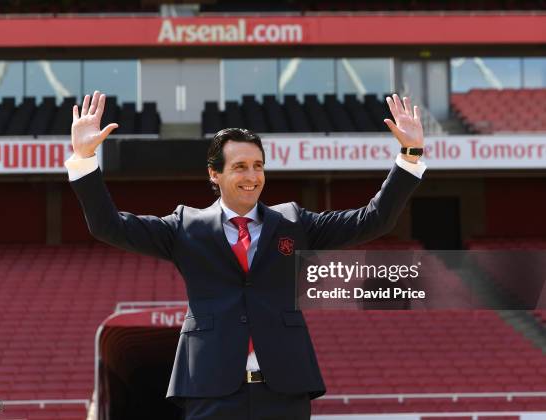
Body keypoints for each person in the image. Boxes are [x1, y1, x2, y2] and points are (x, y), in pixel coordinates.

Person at [65, 91, 427, 420]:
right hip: (210, 389)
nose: (252, 176)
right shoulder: (184, 226)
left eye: (258, 166)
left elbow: (373, 220)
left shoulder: (294, 222)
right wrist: (84, 159)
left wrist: (409, 156)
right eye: (239, 167)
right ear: (214, 174)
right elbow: (109, 226)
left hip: (284, 390)